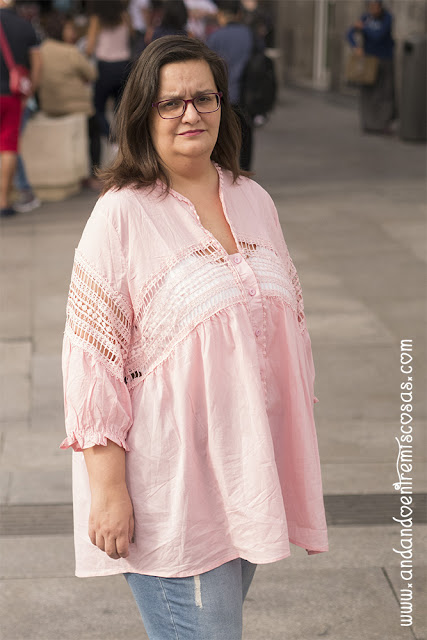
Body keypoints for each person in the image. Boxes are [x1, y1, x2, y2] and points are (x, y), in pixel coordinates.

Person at [60, 35, 329, 639]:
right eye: (170, 102)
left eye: (204, 98)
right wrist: (108, 490)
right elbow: (91, 360)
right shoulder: (122, 213)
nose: (191, 113)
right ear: (141, 114)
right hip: (170, 491)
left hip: (246, 476)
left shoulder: (253, 199)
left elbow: (285, 332)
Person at [38, 11, 100, 190]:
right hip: (76, 107)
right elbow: (92, 74)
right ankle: (93, 173)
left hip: (49, 105)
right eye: (70, 29)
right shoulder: (70, 51)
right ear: (61, 30)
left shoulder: (42, 49)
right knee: (95, 130)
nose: (73, 33)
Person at [0, 0, 41, 217]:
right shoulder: (25, 26)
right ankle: (4, 201)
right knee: (8, 147)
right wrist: (29, 92)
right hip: (12, 96)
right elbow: (38, 63)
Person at [206, 0, 253, 170]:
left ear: (220, 15)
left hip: (222, 95)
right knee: (246, 136)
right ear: (239, 15)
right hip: (246, 94)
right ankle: (245, 171)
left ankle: (223, 170)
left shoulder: (215, 37)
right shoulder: (250, 34)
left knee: (222, 136)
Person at [85, 0, 132, 145]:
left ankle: (113, 139)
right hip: (124, 65)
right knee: (121, 108)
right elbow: (131, 35)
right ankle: (124, 141)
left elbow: (90, 47)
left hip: (105, 66)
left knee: (97, 108)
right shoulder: (124, 15)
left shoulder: (97, 19)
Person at [346, 0, 397, 134]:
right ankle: (368, 123)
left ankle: (383, 124)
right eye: (370, 6)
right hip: (369, 61)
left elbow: (378, 35)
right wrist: (356, 47)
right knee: (367, 92)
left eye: (375, 6)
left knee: (385, 92)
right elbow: (349, 33)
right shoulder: (365, 18)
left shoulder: (387, 18)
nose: (372, 9)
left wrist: (363, 28)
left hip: (385, 59)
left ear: (380, 7)